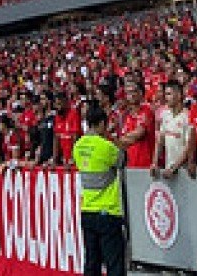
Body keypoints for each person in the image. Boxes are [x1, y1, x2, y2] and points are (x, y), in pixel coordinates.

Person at [73, 104, 127, 276]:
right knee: (114, 264)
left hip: (87, 209)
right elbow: (122, 159)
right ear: (102, 123)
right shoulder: (105, 147)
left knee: (91, 262)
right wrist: (112, 138)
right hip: (107, 211)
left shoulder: (78, 146)